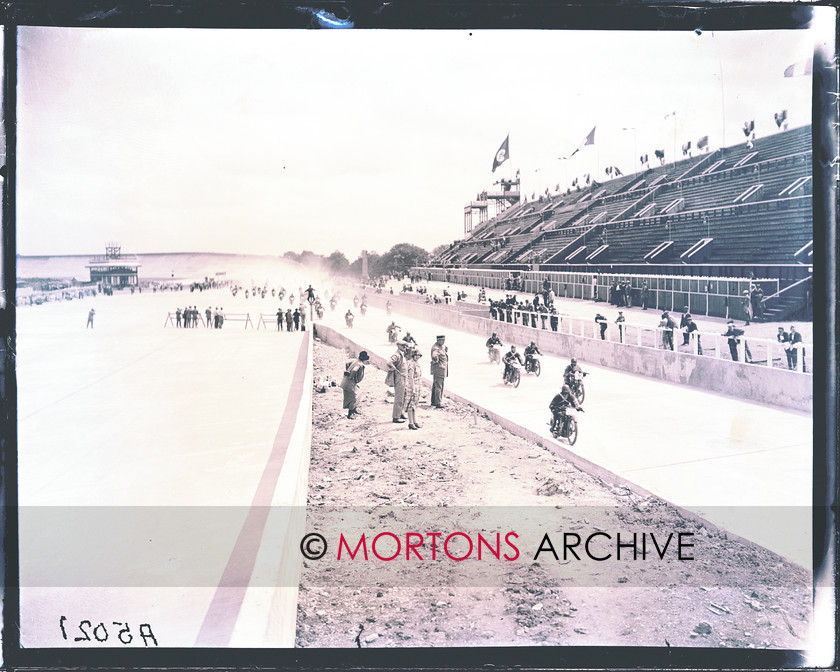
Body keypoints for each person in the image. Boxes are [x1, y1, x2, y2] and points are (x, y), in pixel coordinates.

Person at [341, 351, 370, 419]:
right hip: (349, 383)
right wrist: (351, 376)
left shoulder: (355, 361)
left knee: (356, 396)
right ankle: (350, 414)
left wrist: (347, 370)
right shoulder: (359, 364)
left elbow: (347, 363)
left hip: (347, 382)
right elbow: (354, 370)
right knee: (353, 398)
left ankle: (354, 410)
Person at [387, 342, 409, 423]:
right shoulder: (396, 355)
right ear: (398, 346)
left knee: (404, 395)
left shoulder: (402, 354)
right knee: (399, 397)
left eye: (405, 346)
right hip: (399, 378)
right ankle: (396, 417)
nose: (404, 347)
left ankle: (401, 413)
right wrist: (395, 370)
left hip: (404, 377)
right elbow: (389, 362)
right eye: (403, 346)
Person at [404, 348, 423, 430]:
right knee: (411, 405)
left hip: (417, 385)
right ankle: (410, 423)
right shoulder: (411, 364)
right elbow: (410, 377)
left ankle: (415, 421)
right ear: (413, 355)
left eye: (419, 355)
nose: (417, 357)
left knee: (415, 405)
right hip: (412, 386)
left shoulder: (416, 363)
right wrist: (413, 388)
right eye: (416, 355)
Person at [430, 335, 449, 408]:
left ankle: (434, 401)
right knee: (439, 386)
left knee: (436, 385)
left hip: (440, 369)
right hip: (439, 369)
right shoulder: (436, 348)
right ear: (438, 340)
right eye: (441, 340)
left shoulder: (440, 347)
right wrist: (436, 360)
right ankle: (438, 402)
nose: (443, 342)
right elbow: (434, 356)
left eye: (444, 340)